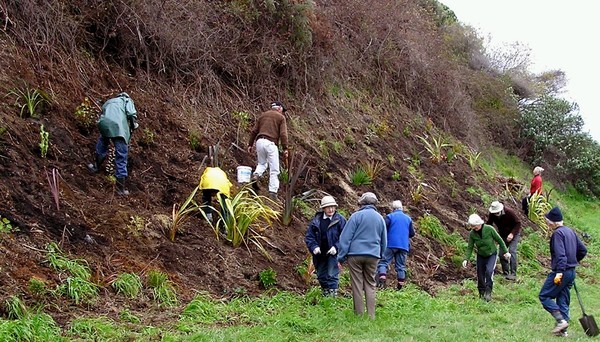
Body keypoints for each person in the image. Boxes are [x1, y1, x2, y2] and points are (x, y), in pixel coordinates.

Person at [539, 207, 587, 337]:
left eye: (548, 221)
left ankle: (560, 321)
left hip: (561, 272)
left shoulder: (558, 234)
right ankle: (563, 331)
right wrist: (573, 261)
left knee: (544, 296)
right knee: (563, 299)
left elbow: (560, 255)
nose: (547, 223)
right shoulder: (570, 231)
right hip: (571, 272)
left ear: (554, 222)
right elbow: (583, 250)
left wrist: (559, 272)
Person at [337, 192, 386, 319]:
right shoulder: (380, 218)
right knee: (370, 284)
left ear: (362, 203)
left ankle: (359, 314)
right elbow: (384, 240)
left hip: (355, 255)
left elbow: (345, 238)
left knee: (357, 284)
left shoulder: (356, 216)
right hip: (373, 255)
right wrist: (380, 255)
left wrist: (340, 257)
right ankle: (371, 315)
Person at [87, 92, 139, 195]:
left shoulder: (109, 101)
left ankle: (95, 167)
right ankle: (120, 189)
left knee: (103, 143)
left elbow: (103, 113)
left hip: (104, 125)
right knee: (121, 156)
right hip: (119, 129)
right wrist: (133, 126)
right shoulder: (127, 100)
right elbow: (131, 114)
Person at [462, 213, 511, 302]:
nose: (474, 228)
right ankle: (481, 293)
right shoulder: (472, 234)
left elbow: (500, 240)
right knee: (480, 275)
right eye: (472, 226)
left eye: (475, 226)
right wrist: (466, 259)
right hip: (481, 255)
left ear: (479, 223)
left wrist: (506, 252)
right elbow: (470, 247)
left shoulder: (489, 229)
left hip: (491, 254)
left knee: (489, 271)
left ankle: (488, 292)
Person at [304, 196, 346, 297]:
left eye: (332, 207)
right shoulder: (316, 221)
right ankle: (325, 294)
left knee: (332, 274)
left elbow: (345, 237)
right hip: (319, 253)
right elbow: (309, 237)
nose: (331, 209)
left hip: (333, 253)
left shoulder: (340, 220)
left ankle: (332, 297)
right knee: (321, 275)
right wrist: (314, 247)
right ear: (323, 208)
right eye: (328, 207)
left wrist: (336, 247)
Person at [247, 101, 289, 200]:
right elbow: (283, 134)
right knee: (274, 170)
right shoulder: (281, 117)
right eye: (283, 110)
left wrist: (250, 144)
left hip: (259, 142)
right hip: (271, 143)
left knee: (262, 164)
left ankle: (256, 175)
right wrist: (285, 148)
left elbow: (254, 131)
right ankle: (273, 193)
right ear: (280, 108)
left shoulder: (263, 116)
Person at [376, 200, 415, 290]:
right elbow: (412, 233)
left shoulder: (390, 217)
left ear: (393, 208)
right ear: (402, 208)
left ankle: (382, 279)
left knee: (383, 262)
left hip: (391, 244)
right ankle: (400, 286)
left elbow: (383, 228)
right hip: (403, 245)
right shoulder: (408, 219)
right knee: (401, 266)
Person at [486, 201, 522, 280]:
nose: (496, 214)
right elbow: (489, 224)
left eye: (497, 212)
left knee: (512, 251)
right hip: (503, 235)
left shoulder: (509, 212)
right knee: (502, 253)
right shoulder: (492, 214)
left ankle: (513, 274)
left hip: (514, 234)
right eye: (494, 213)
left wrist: (512, 234)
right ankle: (505, 273)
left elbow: (518, 223)